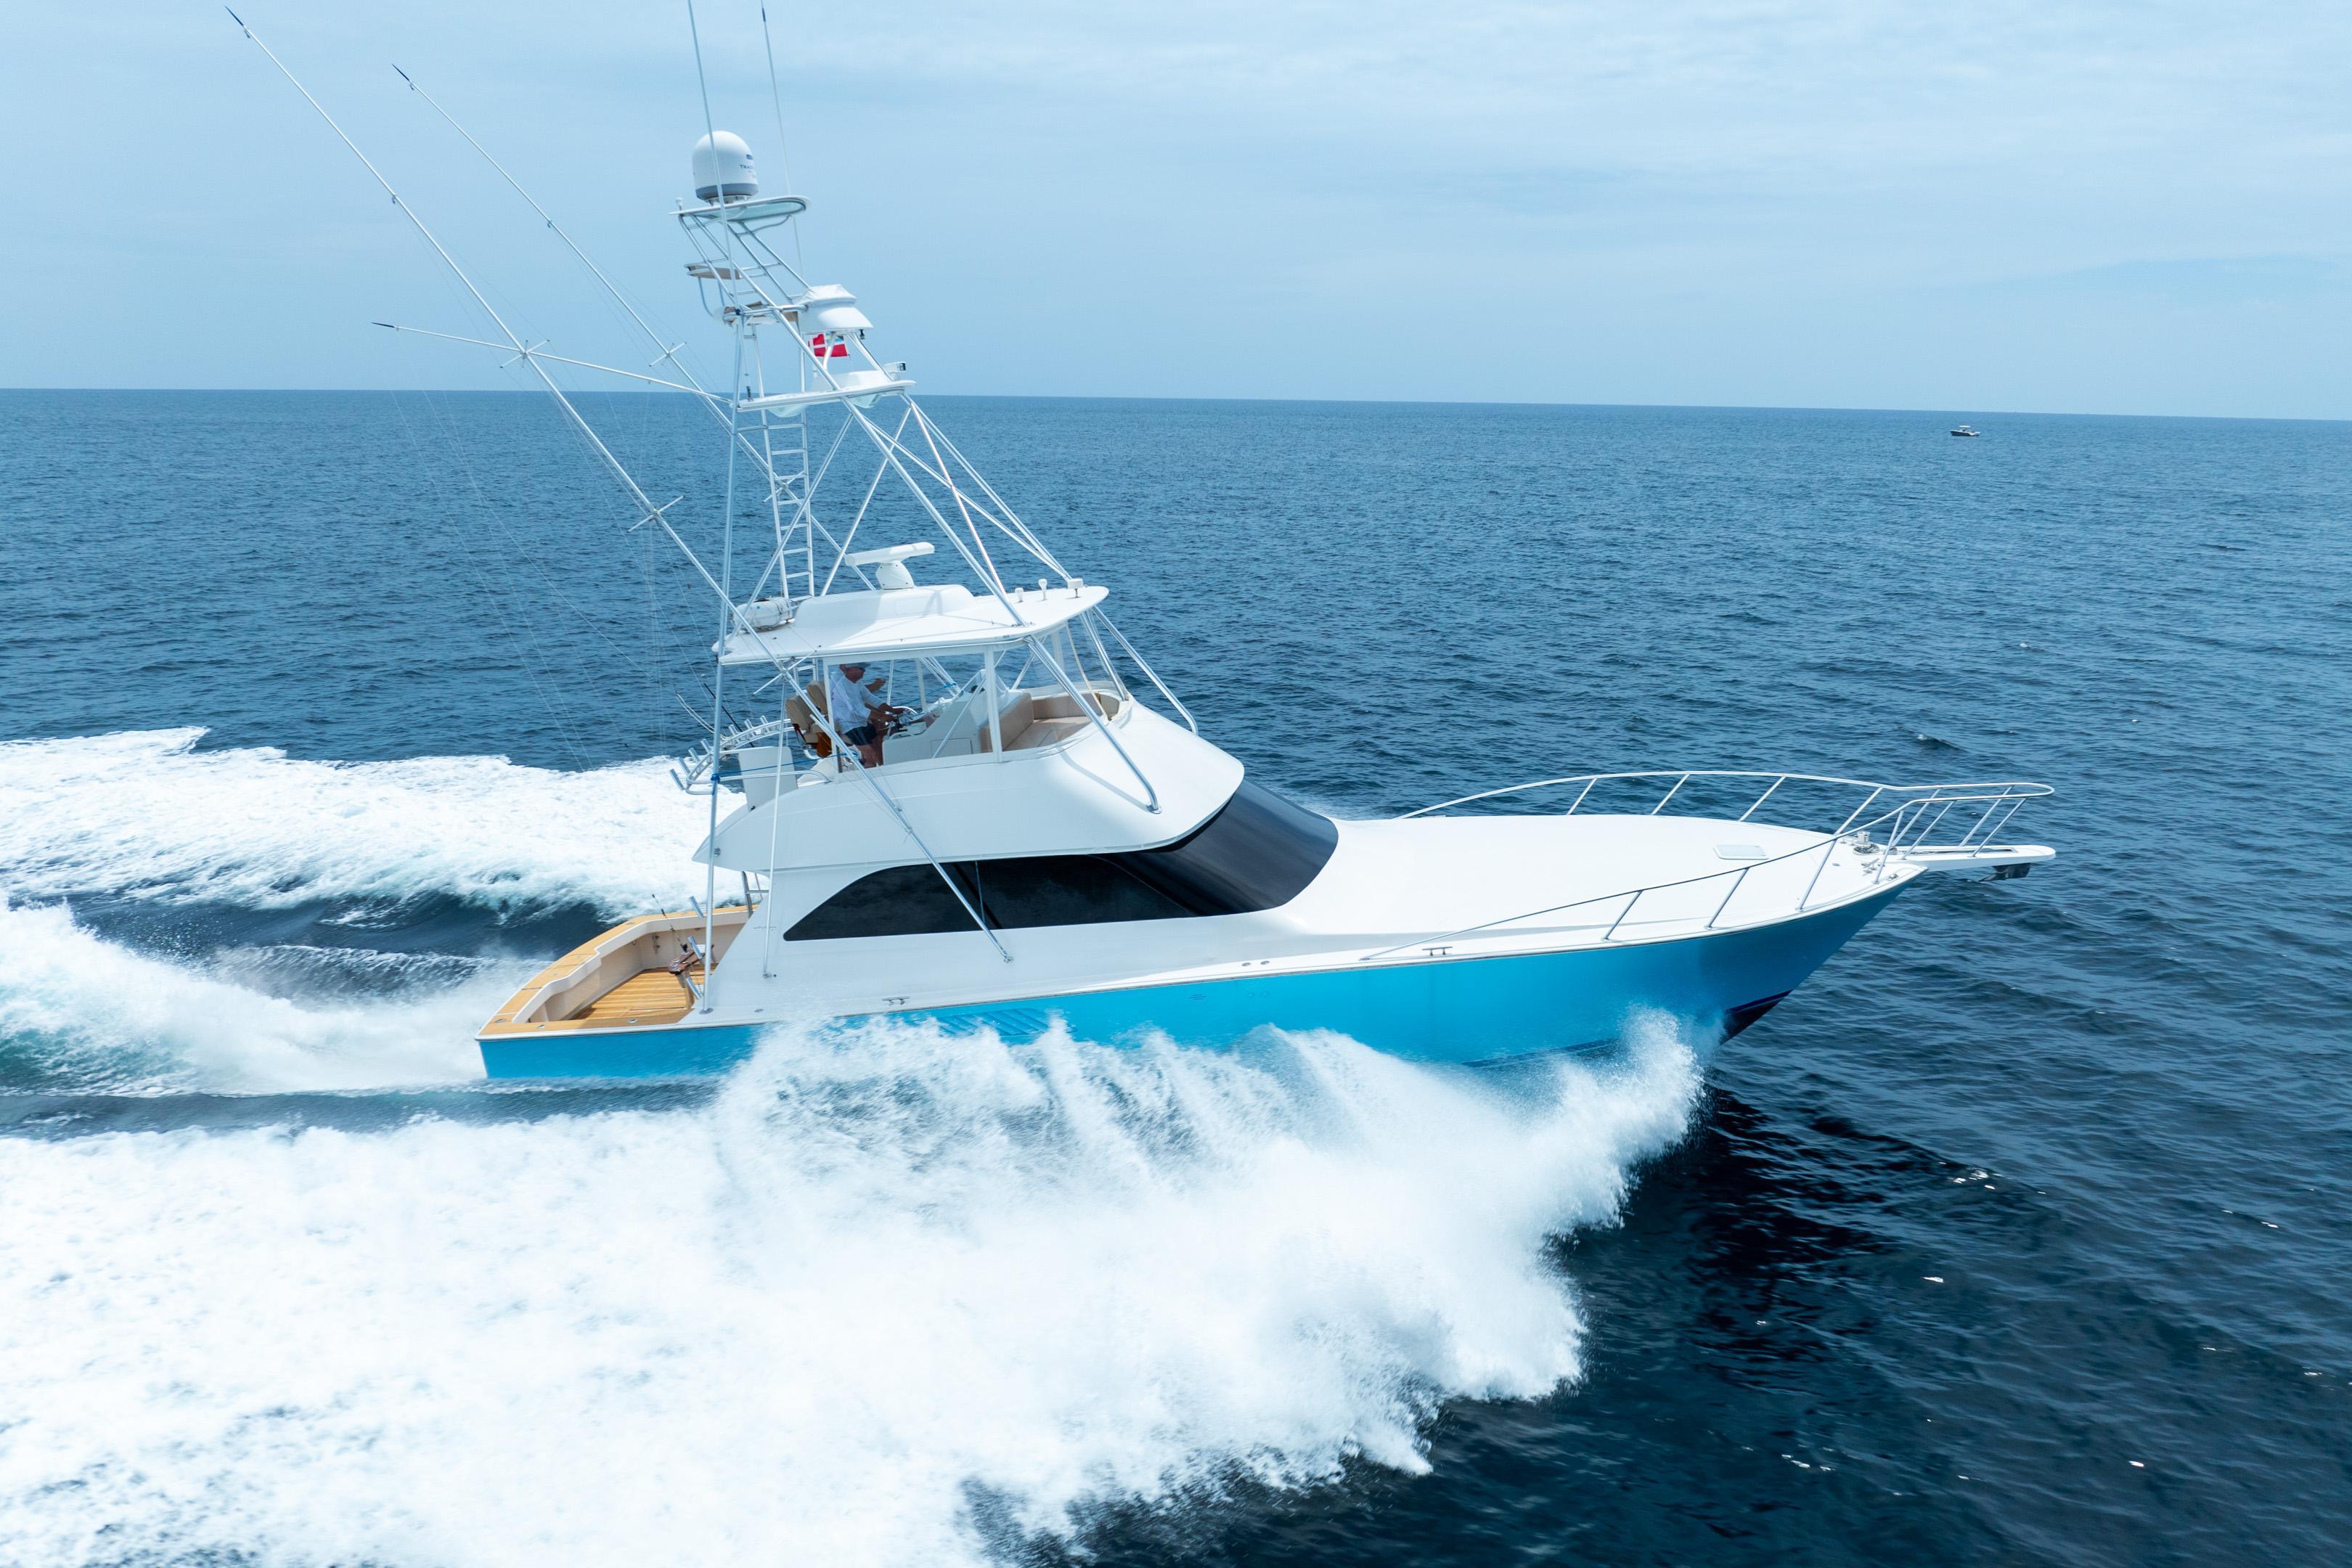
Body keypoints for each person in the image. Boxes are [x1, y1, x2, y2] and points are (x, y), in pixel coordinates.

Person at [825, 661, 902, 769]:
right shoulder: (843, 686)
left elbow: (871, 699)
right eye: (862, 668)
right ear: (851, 670)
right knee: (870, 753)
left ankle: (884, 769)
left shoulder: (857, 683)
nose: (864, 671)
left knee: (878, 744)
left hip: (861, 722)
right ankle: (870, 771)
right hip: (849, 725)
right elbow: (857, 710)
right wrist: (882, 717)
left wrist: (892, 710)